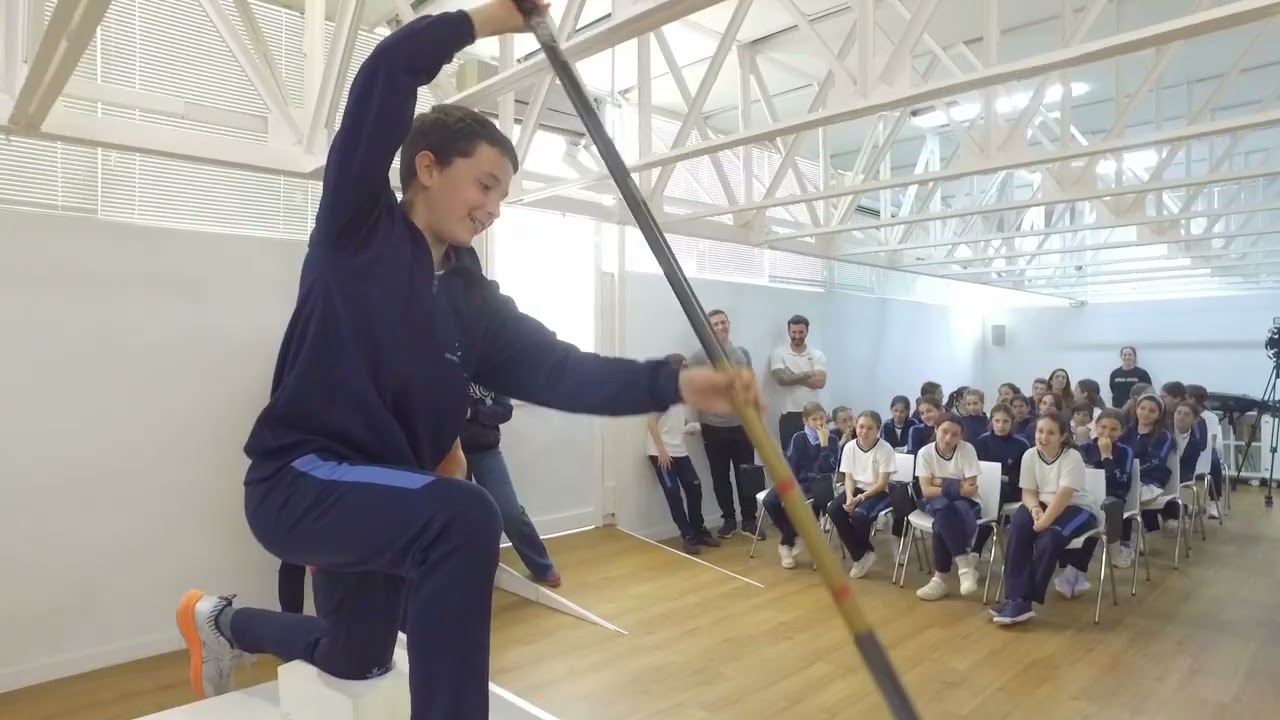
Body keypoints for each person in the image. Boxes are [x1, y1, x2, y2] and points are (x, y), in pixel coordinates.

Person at [170, 6, 758, 718]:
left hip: (386, 502)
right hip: (299, 482)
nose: (494, 208)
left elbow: (561, 370)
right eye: (485, 184)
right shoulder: (357, 229)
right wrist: (488, 19)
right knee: (465, 516)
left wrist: (676, 380)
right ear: (426, 167)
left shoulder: (474, 304)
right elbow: (388, 70)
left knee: (359, 656)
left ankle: (221, 621)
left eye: (503, 195)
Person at [991, 412, 1099, 625]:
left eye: (1050, 433)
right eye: (1040, 431)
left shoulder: (1072, 456)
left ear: (1062, 436)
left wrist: (1043, 522)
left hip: (1076, 508)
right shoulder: (1030, 455)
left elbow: (1063, 496)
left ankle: (1025, 601)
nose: (1043, 437)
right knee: (1017, 531)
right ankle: (1015, 598)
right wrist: (1034, 509)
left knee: (1049, 539)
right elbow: (1028, 492)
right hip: (1040, 503)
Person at [462, 382, 559, 586]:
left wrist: (473, 412)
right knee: (459, 518)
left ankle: (542, 566)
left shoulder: (494, 369)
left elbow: (504, 410)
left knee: (509, 512)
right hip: (449, 451)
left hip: (486, 450)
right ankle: (465, 575)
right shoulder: (443, 365)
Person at [689, 309, 760, 539]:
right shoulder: (698, 357)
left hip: (742, 425)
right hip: (713, 427)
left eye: (723, 322)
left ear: (728, 323)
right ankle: (729, 520)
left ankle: (749, 520)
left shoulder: (742, 353)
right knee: (720, 476)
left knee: (746, 474)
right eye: (715, 324)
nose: (720, 327)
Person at [647, 354, 721, 556]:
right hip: (661, 454)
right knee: (673, 493)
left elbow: (676, 420)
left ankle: (699, 530)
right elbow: (651, 423)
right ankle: (687, 536)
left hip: (680, 451)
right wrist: (661, 451)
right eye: (684, 367)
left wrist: (689, 427)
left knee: (694, 488)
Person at [913, 413, 983, 601]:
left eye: (955, 434)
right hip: (935, 501)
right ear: (936, 429)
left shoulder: (967, 449)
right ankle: (964, 567)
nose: (948, 438)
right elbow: (926, 490)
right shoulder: (925, 453)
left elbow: (971, 489)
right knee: (944, 511)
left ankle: (940, 580)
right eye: (944, 431)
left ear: (961, 436)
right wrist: (957, 485)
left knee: (941, 520)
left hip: (966, 503)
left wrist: (939, 481)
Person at [763, 402, 838, 569]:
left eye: (822, 418)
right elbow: (792, 466)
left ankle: (786, 544)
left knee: (795, 505)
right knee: (770, 501)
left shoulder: (832, 439)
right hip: (796, 481)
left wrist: (824, 445)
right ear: (805, 421)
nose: (819, 423)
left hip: (819, 484)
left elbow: (827, 470)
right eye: (814, 419)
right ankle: (795, 535)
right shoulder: (798, 438)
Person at [828, 410, 897, 579]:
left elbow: (882, 483)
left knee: (859, 515)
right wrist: (849, 495)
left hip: (879, 492)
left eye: (869, 428)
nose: (864, 431)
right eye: (861, 427)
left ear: (877, 430)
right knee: (834, 509)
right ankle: (862, 554)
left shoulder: (885, 449)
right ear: (855, 427)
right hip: (856, 488)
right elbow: (849, 477)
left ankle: (862, 554)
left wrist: (861, 498)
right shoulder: (850, 447)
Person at [971, 403, 1031, 555]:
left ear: (1012, 423)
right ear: (991, 421)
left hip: (1011, 489)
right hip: (983, 487)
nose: (1001, 425)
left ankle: (976, 550)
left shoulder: (1022, 445)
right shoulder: (981, 441)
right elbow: (974, 468)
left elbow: (1024, 476)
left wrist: (1005, 478)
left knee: (998, 491)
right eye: (997, 421)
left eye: (1005, 421)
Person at [1079, 410, 1137, 569]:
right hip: (1087, 496)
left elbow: (1120, 482)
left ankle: (1116, 547)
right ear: (1096, 427)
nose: (1107, 432)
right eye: (1103, 427)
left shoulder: (1125, 451)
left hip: (1113, 497)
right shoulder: (1085, 448)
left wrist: (1107, 457)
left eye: (1113, 429)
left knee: (1112, 505)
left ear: (1121, 431)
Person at [1122, 395, 1176, 540]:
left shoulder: (1164, 436)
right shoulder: (1126, 432)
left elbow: (1156, 461)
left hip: (1151, 482)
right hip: (1127, 479)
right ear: (1136, 410)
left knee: (1125, 496)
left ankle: (1129, 538)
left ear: (1159, 415)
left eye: (1152, 411)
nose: (1145, 413)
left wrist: (1130, 471)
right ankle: (1123, 536)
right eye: (1142, 408)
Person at [769, 314, 827, 446]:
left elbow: (820, 382)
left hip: (814, 414)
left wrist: (792, 375)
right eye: (794, 332)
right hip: (789, 414)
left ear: (807, 331)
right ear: (788, 331)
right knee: (790, 455)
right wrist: (808, 373)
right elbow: (781, 379)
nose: (797, 336)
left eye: (801, 332)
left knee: (815, 453)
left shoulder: (817, 354)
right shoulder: (778, 353)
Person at [1186, 384, 1225, 519]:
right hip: (1188, 451)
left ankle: (1214, 501)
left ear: (1192, 399)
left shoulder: (1209, 417)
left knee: (1213, 460)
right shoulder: (1181, 413)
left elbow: (1210, 442)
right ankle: (1184, 505)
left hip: (1204, 451)